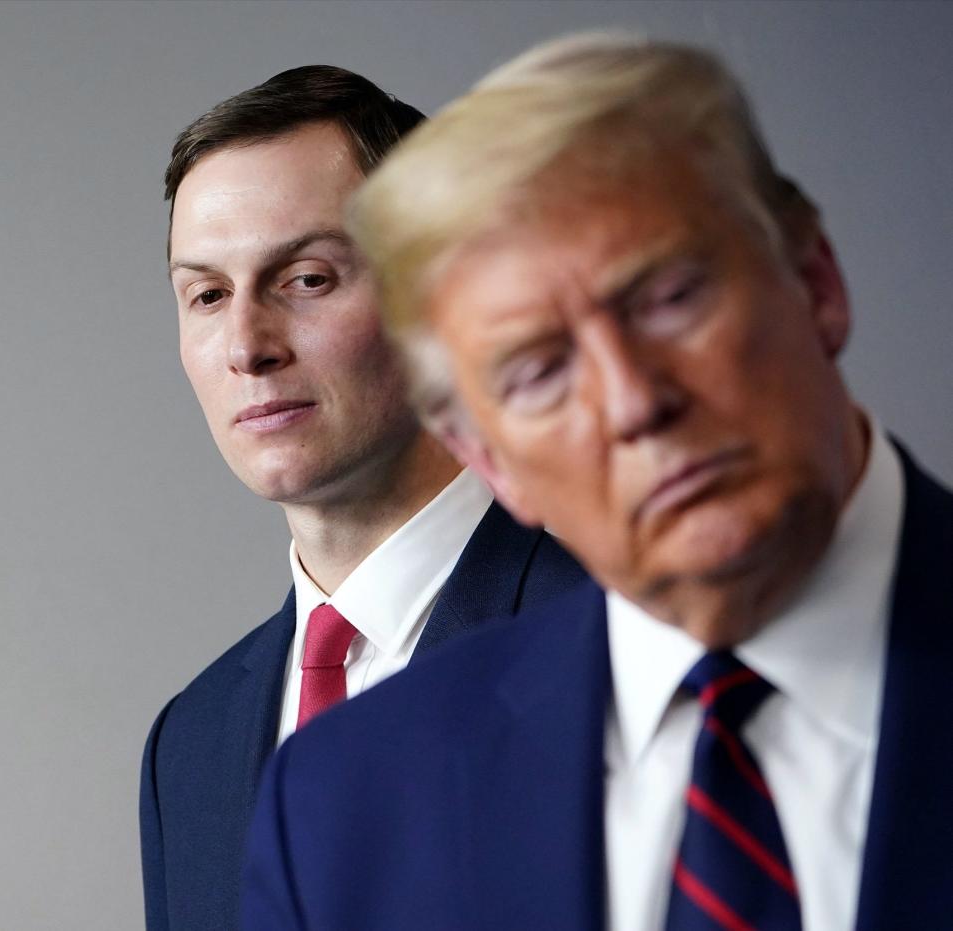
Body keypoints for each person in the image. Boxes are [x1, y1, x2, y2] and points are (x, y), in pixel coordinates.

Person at [242, 34, 953, 930]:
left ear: (815, 283)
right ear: (490, 459)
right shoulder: (346, 809)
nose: (633, 400)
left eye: (670, 298)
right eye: (538, 371)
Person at [140, 65, 585, 931]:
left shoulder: (635, 649)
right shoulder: (187, 749)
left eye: (305, 278)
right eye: (207, 294)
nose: (246, 345)